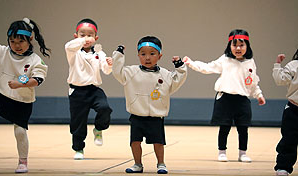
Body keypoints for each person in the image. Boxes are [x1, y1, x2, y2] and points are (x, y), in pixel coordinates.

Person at [183, 29, 266, 163]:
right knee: (224, 127)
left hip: (242, 100)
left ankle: (242, 153)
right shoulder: (225, 60)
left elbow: (253, 81)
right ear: (230, 46)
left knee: (243, 128)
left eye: (241, 45)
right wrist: (191, 63)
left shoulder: (250, 62)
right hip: (225, 99)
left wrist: (259, 95)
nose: (238, 48)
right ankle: (222, 152)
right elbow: (208, 67)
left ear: (247, 46)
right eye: (235, 45)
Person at [112, 36, 187, 174]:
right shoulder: (131, 72)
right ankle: (137, 164)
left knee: (158, 142)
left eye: (152, 54)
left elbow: (177, 81)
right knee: (135, 142)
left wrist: (180, 66)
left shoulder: (164, 74)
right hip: (137, 115)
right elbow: (117, 71)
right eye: (143, 54)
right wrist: (118, 55)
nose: (147, 58)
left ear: (159, 56)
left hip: (156, 117)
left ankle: (161, 163)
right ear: (138, 55)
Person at [0, 18, 50, 173]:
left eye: (21, 41)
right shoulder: (2, 52)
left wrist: (21, 84)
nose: (16, 45)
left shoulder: (35, 60)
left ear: (30, 39)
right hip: (0, 93)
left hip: (22, 99)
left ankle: (23, 162)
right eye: (12, 41)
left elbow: (37, 79)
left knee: (20, 131)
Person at [65, 18, 113, 160]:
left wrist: (109, 64)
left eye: (90, 35)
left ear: (96, 38)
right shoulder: (73, 52)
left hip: (94, 90)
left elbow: (106, 70)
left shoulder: (99, 53)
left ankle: (98, 129)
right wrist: (82, 41)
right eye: (82, 34)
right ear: (76, 36)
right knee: (78, 122)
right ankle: (79, 149)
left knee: (105, 108)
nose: (86, 38)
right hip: (77, 91)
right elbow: (68, 46)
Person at [273, 50, 298, 176]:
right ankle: (283, 167)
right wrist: (277, 65)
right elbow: (280, 80)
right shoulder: (294, 65)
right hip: (293, 109)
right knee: (289, 139)